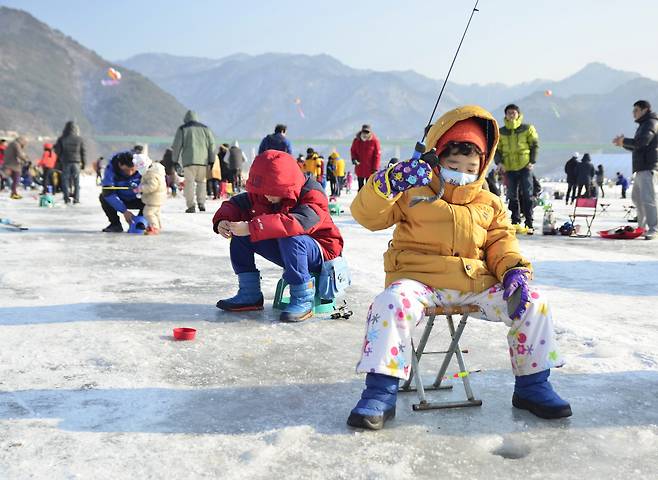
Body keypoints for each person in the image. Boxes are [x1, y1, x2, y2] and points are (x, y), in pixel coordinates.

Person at [347, 105, 571, 430]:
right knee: (390, 302)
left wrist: (514, 271)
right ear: (437, 158)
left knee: (533, 301)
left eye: (471, 166)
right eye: (453, 164)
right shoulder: (412, 190)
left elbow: (501, 243)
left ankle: (533, 386)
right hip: (419, 280)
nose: (462, 171)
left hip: (474, 284)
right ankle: (380, 392)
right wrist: (390, 182)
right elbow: (366, 216)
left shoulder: (489, 203)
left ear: (482, 167)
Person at [212, 149, 344, 322]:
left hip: (321, 251)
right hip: (288, 248)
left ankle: (303, 298)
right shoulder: (265, 196)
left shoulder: (312, 194)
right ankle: (249, 293)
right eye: (263, 191)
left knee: (291, 236)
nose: (266, 196)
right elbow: (237, 204)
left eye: (272, 191)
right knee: (241, 236)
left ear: (286, 185)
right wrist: (223, 220)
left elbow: (295, 223)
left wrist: (252, 227)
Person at [613, 100, 658, 239]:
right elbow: (638, 146)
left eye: (636, 110)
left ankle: (654, 228)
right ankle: (642, 227)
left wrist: (624, 141)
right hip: (640, 168)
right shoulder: (643, 125)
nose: (633, 113)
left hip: (648, 167)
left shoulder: (651, 123)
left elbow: (642, 142)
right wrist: (623, 144)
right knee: (637, 199)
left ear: (645, 110)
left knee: (647, 199)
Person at [494, 104, 539, 234]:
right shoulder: (501, 132)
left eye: (513, 113)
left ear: (518, 114)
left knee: (527, 194)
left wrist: (532, 161)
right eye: (509, 113)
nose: (511, 115)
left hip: (525, 166)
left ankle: (529, 222)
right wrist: (499, 163)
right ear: (506, 115)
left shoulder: (527, 128)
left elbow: (535, 145)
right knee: (512, 195)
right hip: (509, 168)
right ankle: (515, 221)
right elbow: (497, 149)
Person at [172, 110, 216, 213]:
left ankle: (191, 205)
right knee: (202, 183)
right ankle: (201, 203)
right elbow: (212, 145)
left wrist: (175, 160)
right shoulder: (206, 129)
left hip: (189, 161)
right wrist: (211, 160)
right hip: (203, 161)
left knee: (189, 183)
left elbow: (177, 146)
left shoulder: (183, 129)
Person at [99, 151, 144, 233]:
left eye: (132, 170)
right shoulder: (111, 169)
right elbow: (108, 193)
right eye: (126, 170)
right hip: (121, 199)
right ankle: (115, 224)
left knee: (153, 198)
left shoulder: (143, 167)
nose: (130, 173)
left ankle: (141, 222)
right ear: (120, 165)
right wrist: (124, 211)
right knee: (103, 197)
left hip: (139, 199)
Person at [54, 120, 87, 204]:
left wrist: (59, 159)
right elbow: (83, 152)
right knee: (76, 181)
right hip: (76, 162)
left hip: (65, 162)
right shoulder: (79, 139)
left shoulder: (62, 139)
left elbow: (57, 151)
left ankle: (66, 198)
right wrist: (84, 163)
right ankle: (76, 199)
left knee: (65, 180)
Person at [135, 154, 167, 235]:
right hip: (158, 197)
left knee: (148, 213)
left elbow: (153, 186)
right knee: (156, 213)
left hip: (153, 198)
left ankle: (154, 227)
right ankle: (157, 226)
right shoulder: (154, 171)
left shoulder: (151, 174)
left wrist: (141, 188)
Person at [350, 124, 381, 191]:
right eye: (364, 131)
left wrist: (375, 168)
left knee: (368, 187)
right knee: (360, 186)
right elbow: (353, 151)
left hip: (370, 169)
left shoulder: (374, 141)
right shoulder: (356, 140)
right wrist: (354, 159)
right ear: (361, 131)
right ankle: (359, 199)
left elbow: (377, 155)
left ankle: (367, 200)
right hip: (360, 167)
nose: (365, 133)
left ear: (370, 132)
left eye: (367, 132)